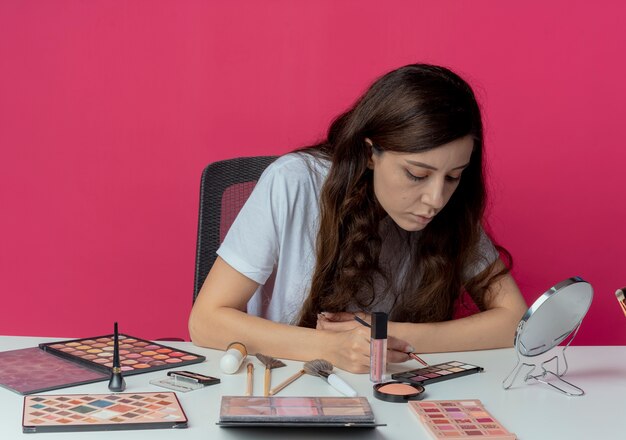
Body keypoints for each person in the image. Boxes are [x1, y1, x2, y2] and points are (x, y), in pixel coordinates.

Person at [188, 63, 528, 373]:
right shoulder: (294, 181)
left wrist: (384, 333)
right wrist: (332, 347)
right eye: (416, 174)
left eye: (453, 177)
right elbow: (205, 321)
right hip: (287, 383)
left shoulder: (453, 206)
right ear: (370, 154)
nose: (436, 199)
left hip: (392, 387)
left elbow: (515, 320)